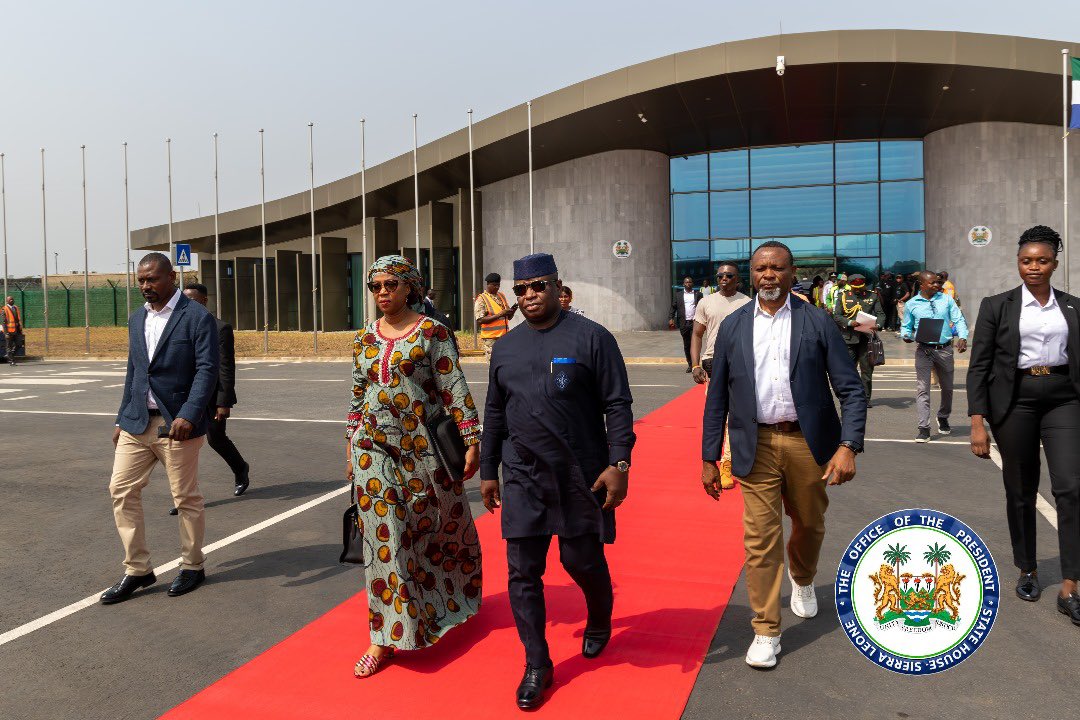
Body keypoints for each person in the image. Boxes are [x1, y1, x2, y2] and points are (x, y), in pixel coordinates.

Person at [480, 252, 635, 710]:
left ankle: (600, 618)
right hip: (522, 475)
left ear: (556, 286)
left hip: (579, 474)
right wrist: (489, 469)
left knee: (579, 561)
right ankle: (537, 663)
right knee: (522, 571)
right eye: (521, 289)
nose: (529, 295)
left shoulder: (593, 337)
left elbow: (617, 404)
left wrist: (619, 463)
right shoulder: (505, 347)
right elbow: (495, 412)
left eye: (539, 286)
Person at [701, 241, 865, 669]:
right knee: (760, 539)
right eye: (760, 268)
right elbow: (717, 396)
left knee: (809, 523)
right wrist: (708, 457)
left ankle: (803, 578)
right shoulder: (734, 326)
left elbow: (850, 388)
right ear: (751, 274)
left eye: (776, 267)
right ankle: (766, 630)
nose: (768, 275)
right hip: (753, 444)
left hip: (808, 443)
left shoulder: (817, 321)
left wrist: (848, 445)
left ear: (793, 274)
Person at [346, 255, 483, 677]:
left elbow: (453, 385)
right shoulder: (364, 337)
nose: (382, 292)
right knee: (383, 536)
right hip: (372, 448)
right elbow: (357, 393)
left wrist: (472, 438)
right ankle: (384, 637)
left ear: (410, 287)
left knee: (430, 528)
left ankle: (442, 604)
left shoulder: (431, 332)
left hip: (422, 449)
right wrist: (350, 444)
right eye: (375, 286)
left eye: (391, 284)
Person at [968, 225, 1080, 627]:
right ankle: (1027, 568)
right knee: (1021, 489)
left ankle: (1071, 586)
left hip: (1064, 398)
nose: (1034, 267)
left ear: (1054, 264)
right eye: (1026, 260)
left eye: (1042, 260)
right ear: (1018, 262)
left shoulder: (1072, 306)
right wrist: (977, 421)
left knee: (1071, 488)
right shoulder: (997, 306)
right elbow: (979, 365)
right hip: (1015, 400)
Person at [100, 253, 219, 604]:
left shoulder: (196, 317)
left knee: (185, 498)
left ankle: (192, 565)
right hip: (137, 422)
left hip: (177, 425)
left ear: (171, 277)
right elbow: (134, 371)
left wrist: (189, 414)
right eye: (140, 280)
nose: (145, 286)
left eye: (152, 279)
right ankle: (138, 568)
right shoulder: (137, 318)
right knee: (120, 490)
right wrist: (121, 418)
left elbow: (207, 370)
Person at [167, 283, 249, 516]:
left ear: (204, 301)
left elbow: (225, 367)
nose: (187, 304)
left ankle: (240, 468)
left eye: (192, 300)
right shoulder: (177, 325)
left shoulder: (220, 328)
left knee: (216, 438)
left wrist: (224, 402)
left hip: (212, 397)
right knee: (181, 447)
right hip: (185, 398)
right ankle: (184, 497)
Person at [690, 262, 751, 490]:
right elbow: (697, 335)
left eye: (729, 275)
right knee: (718, 415)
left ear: (738, 279)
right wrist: (695, 365)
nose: (724, 279)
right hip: (713, 363)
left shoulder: (747, 303)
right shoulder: (706, 302)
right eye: (720, 276)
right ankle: (717, 461)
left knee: (736, 416)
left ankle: (728, 462)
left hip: (740, 363)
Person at [901, 270, 968, 442]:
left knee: (947, 388)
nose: (937, 285)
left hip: (944, 349)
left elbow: (959, 319)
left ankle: (943, 416)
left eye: (938, 282)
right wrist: (906, 336)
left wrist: (962, 337)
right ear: (922, 285)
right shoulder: (912, 304)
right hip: (923, 350)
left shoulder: (946, 299)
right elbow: (906, 326)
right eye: (933, 283)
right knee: (923, 389)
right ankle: (924, 428)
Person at [833, 274, 885, 406]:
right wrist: (850, 322)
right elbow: (837, 316)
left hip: (867, 339)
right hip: (849, 338)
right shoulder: (843, 296)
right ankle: (849, 397)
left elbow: (880, 314)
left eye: (860, 287)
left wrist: (878, 325)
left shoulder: (872, 296)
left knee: (867, 371)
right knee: (848, 370)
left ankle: (865, 399)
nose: (858, 290)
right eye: (855, 287)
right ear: (850, 285)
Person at [474, 272, 516, 359]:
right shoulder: (481, 299)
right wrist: (500, 314)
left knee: (504, 363)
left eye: (498, 285)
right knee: (493, 363)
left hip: (504, 337)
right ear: (488, 285)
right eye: (494, 285)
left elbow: (508, 317)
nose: (497, 287)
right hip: (491, 339)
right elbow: (480, 320)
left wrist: (512, 311)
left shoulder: (501, 296)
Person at [669, 276, 703, 372]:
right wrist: (671, 318)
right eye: (686, 282)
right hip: (683, 323)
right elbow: (673, 307)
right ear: (683, 284)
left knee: (695, 344)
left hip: (695, 323)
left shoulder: (698, 294)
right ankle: (690, 364)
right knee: (687, 345)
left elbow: (702, 307)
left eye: (690, 282)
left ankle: (696, 364)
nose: (688, 284)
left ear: (692, 284)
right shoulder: (678, 295)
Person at [2, 296, 23, 365]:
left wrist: (20, 327)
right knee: (9, 346)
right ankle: (11, 361)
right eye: (10, 299)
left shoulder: (16, 307)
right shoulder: (4, 309)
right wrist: (6, 333)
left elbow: (18, 319)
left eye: (12, 299)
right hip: (9, 331)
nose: (11, 300)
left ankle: (9, 355)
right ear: (7, 301)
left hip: (17, 330)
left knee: (19, 344)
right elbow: (4, 322)